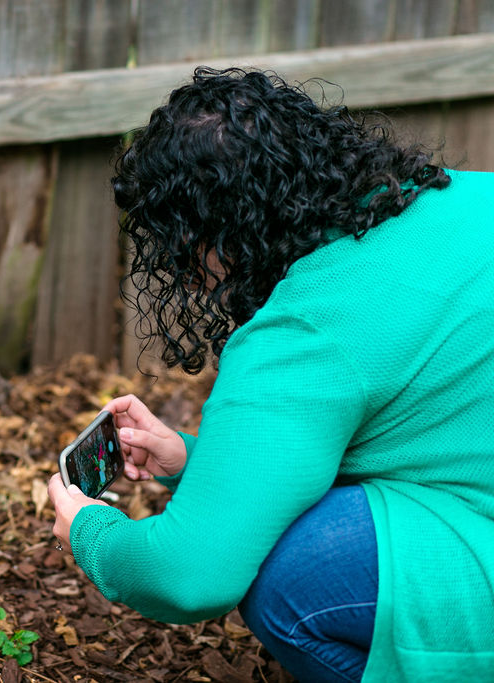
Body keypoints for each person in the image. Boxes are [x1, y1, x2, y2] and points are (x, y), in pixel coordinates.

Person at [47, 67, 494, 682]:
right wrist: (194, 462)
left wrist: (90, 531)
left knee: (293, 575)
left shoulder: (305, 331)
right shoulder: (464, 195)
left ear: (211, 238)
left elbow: (189, 576)